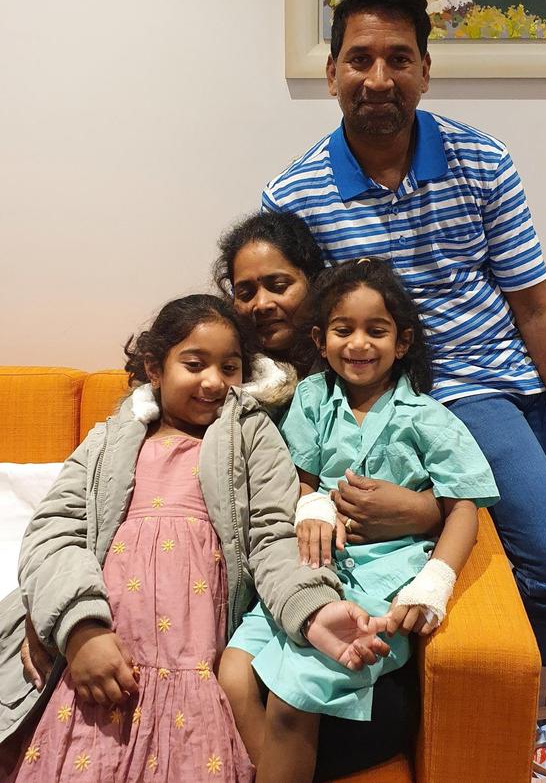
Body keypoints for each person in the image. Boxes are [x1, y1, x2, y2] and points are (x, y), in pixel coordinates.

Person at [260, 0, 546, 725]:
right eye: (360, 58)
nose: (379, 78)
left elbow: (536, 306)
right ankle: (448, 691)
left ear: (425, 69)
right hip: (445, 398)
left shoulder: (481, 159)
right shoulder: (295, 194)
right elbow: (306, 336)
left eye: (399, 58)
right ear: (333, 70)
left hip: (518, 385)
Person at [2, 294, 389, 782]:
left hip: (193, 665)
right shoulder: (107, 441)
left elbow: (273, 538)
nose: (213, 381)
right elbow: (53, 531)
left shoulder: (252, 435)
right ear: (154, 368)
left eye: (229, 367)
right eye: (194, 363)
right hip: (103, 652)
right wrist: (81, 632)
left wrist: (313, 609)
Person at [219, 258, 500, 783]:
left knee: (289, 702)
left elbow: (465, 506)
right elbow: (299, 478)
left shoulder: (428, 417)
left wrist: (435, 582)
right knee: (233, 674)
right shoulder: (311, 398)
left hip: (380, 581)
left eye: (377, 330)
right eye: (343, 330)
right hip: (310, 570)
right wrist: (314, 505)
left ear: (404, 340)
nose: (359, 344)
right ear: (320, 340)